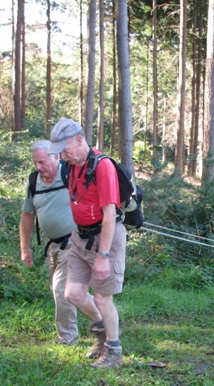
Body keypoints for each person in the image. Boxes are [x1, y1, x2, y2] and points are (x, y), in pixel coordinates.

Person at [48, 118, 126, 368]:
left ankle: (114, 353)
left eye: (65, 148)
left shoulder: (102, 166)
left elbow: (110, 214)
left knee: (103, 299)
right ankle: (102, 334)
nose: (62, 155)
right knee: (73, 293)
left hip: (105, 238)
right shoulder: (70, 166)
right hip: (79, 237)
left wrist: (103, 255)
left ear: (80, 140)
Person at [20, 140, 102, 345]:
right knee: (71, 293)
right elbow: (28, 215)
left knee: (62, 289)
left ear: (56, 157)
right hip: (53, 245)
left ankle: (68, 337)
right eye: (35, 163)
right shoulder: (34, 181)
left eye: (42, 162)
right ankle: (108, 320)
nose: (38, 167)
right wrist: (24, 247)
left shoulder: (70, 173)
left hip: (75, 242)